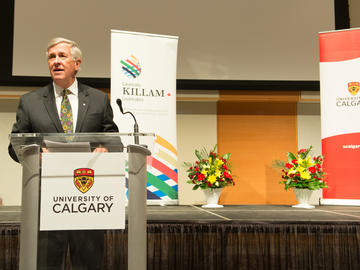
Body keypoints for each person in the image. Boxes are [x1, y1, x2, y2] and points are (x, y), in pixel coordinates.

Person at [8, 37, 119, 269]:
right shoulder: (30, 102)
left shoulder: (99, 99)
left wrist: (106, 149)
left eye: (62, 56)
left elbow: (114, 140)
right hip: (47, 199)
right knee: (45, 263)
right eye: (52, 57)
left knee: (88, 263)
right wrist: (33, 154)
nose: (56, 61)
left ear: (77, 63)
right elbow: (15, 144)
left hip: (88, 197)